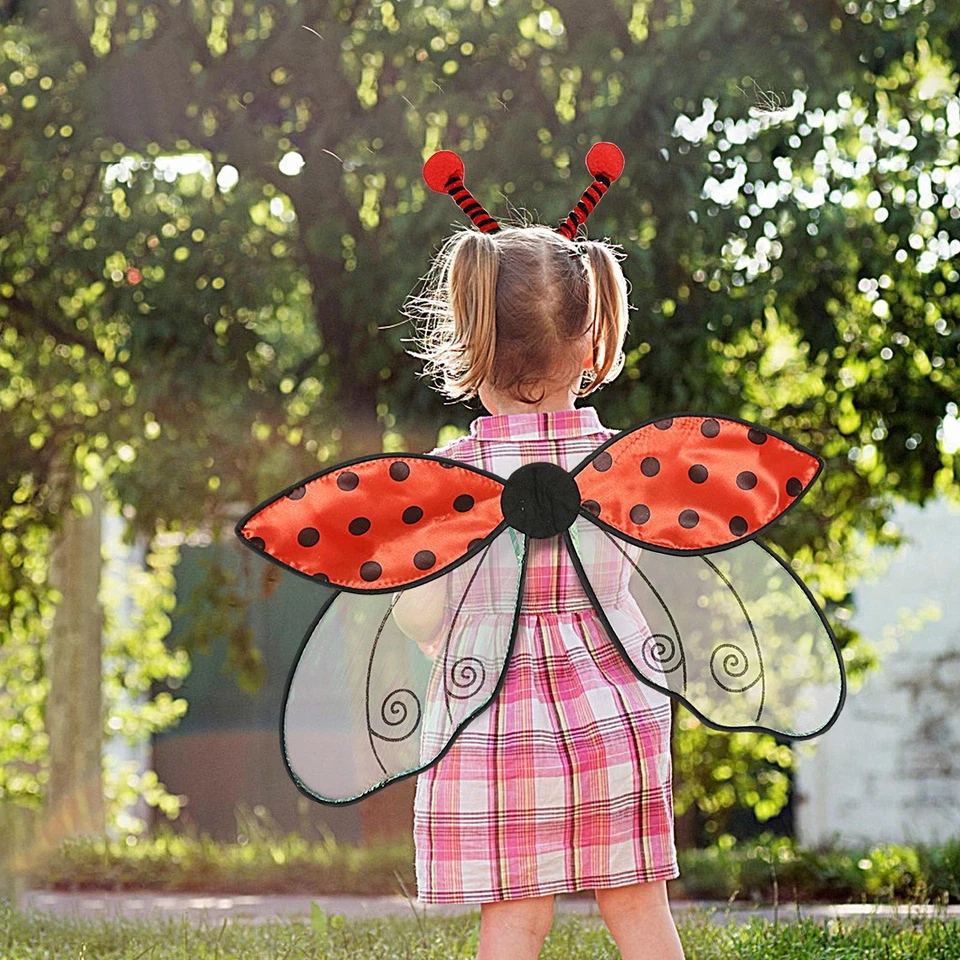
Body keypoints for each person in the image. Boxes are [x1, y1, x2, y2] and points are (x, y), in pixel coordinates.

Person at [393, 221, 686, 960]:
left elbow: (418, 610)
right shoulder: (623, 464)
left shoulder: (450, 478)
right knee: (640, 906)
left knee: (515, 918)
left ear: (472, 341)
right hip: (617, 710)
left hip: (494, 723)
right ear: (591, 345)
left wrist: (421, 610)